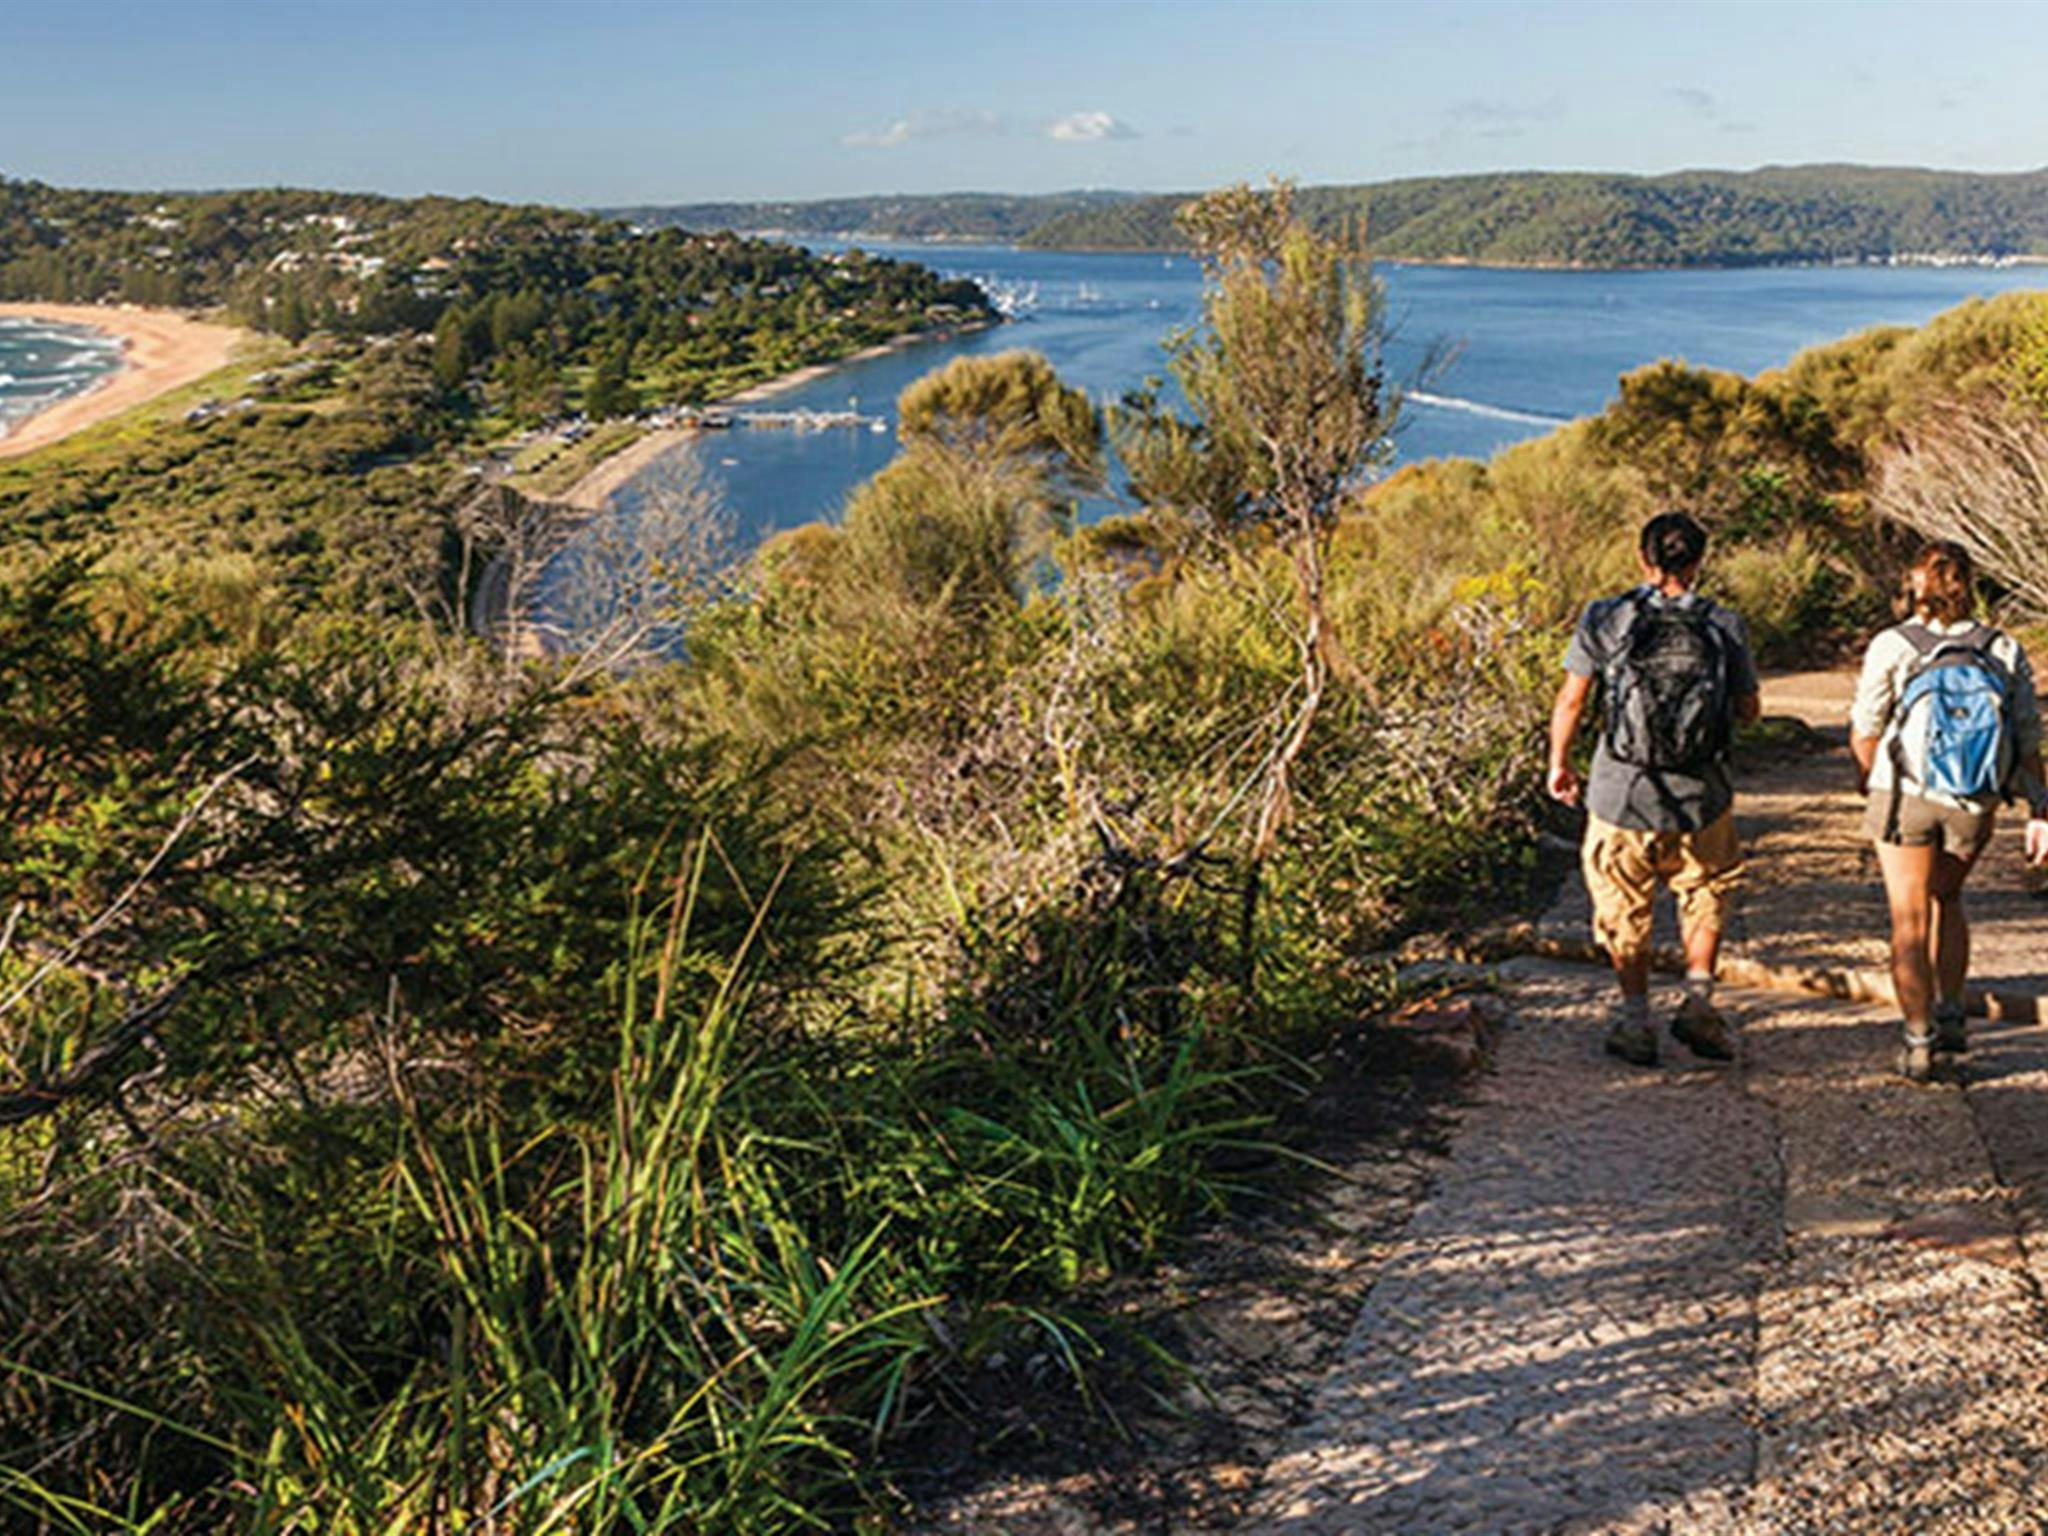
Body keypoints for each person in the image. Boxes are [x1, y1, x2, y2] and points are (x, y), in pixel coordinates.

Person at [1546, 511, 1761, 1066]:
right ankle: (1697, 1002)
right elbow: (1749, 710)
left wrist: (1559, 763)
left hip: (1622, 790)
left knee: (1623, 907)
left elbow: (1572, 700)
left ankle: (1636, 1022)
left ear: (1643, 558)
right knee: (1705, 894)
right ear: (1698, 562)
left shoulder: (1605, 618)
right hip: (1702, 794)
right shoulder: (1723, 624)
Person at [1848, 540, 2048, 1082]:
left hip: (1904, 797)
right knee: (1950, 898)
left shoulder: (1893, 645)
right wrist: (2040, 808)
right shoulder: (2002, 648)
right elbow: (2029, 736)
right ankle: (1953, 1010)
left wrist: (1873, 781)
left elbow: (1865, 727)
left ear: (1918, 585)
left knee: (1908, 917)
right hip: (1974, 801)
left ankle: (1918, 1040)